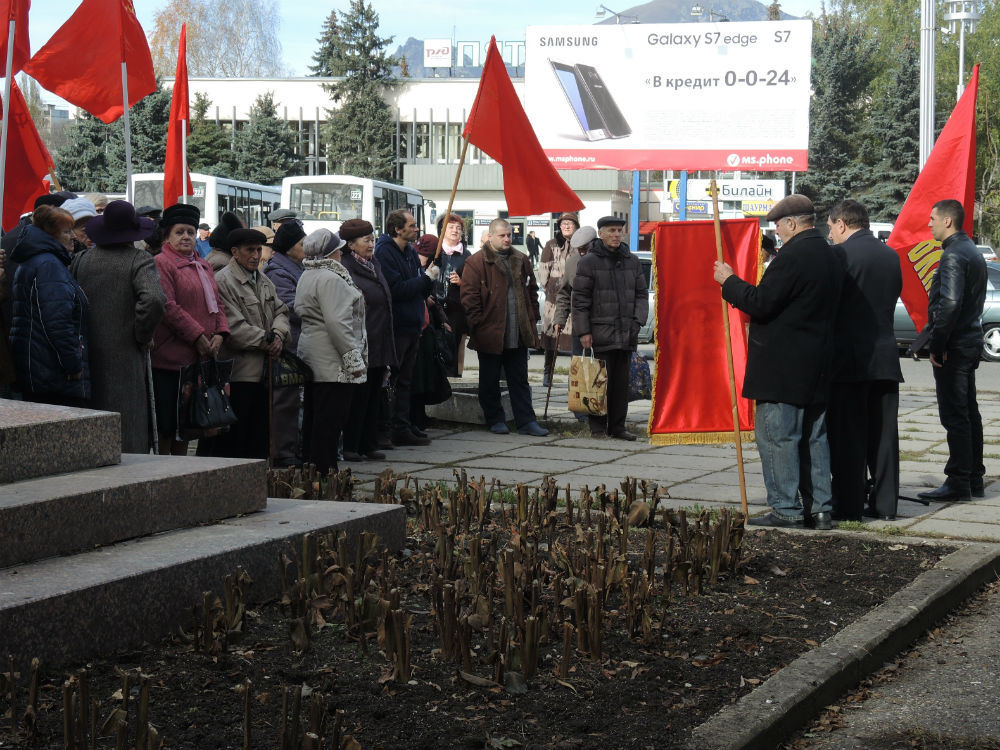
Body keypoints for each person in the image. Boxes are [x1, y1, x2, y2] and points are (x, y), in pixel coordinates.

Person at [712, 194, 845, 530]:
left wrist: (729, 281)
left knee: (778, 437)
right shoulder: (830, 253)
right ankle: (820, 509)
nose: (777, 233)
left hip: (783, 366)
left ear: (791, 223)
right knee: (815, 438)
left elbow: (762, 303)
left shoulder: (793, 256)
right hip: (817, 363)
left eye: (778, 226)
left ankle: (786, 508)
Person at [826, 199, 904, 521]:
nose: (830, 234)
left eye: (831, 227)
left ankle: (849, 505)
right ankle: (886, 505)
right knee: (884, 437)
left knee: (848, 435)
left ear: (842, 223)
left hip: (850, 359)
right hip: (885, 357)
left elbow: (831, 304)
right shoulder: (890, 255)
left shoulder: (840, 255)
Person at [72, 201, 166, 453]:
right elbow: (155, 299)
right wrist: (142, 334)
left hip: (87, 354)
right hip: (126, 353)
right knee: (128, 423)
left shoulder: (81, 260)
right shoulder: (139, 259)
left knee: (95, 421)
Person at [917, 199, 987, 502]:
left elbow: (950, 303)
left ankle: (959, 481)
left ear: (947, 221)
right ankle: (973, 478)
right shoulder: (970, 250)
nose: (929, 223)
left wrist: (938, 344)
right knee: (968, 412)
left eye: (933, 218)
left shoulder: (954, 255)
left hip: (955, 346)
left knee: (955, 415)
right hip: (968, 341)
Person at [201, 228, 290, 459]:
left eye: (259, 250)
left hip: (264, 372)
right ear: (235, 252)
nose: (256, 255)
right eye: (250, 250)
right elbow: (233, 327)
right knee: (237, 440)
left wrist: (278, 334)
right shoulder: (223, 281)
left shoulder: (264, 280)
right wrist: (267, 340)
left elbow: (281, 311)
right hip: (238, 374)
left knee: (259, 438)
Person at [151, 203, 230, 456]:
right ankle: (164, 471)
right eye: (179, 232)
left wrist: (220, 334)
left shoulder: (203, 265)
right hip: (171, 361)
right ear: (167, 236)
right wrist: (197, 336)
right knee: (168, 425)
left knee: (189, 425)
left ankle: (183, 471)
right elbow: (168, 305)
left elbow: (217, 303)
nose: (186, 237)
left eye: (191, 232)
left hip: (199, 358)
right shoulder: (161, 263)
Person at [461, 217, 548, 436]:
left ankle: (526, 421)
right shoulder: (476, 262)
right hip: (490, 332)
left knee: (519, 380)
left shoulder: (521, 259)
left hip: (518, 332)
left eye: (510, 235)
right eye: (502, 235)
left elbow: (532, 290)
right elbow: (469, 298)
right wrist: (478, 324)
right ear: (490, 236)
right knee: (489, 380)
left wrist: (533, 317)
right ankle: (495, 419)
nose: (507, 239)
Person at [295, 229, 367, 475]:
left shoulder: (309, 273)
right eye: (338, 250)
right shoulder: (330, 278)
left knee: (315, 416)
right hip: (331, 359)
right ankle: (324, 471)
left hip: (315, 354)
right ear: (330, 253)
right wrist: (353, 359)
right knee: (330, 419)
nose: (341, 254)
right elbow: (338, 323)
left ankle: (312, 468)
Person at [571, 217, 648, 441]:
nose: (616, 235)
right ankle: (597, 428)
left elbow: (641, 294)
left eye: (619, 230)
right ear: (601, 234)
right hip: (600, 332)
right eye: (611, 231)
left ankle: (617, 426)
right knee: (598, 382)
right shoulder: (589, 262)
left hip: (626, 332)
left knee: (621, 384)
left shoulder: (632, 261)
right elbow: (580, 300)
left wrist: (638, 321)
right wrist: (584, 331)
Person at [8, 205, 91, 407]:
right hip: (53, 374)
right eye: (67, 232)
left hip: (41, 368)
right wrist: (72, 365)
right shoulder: (49, 265)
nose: (73, 236)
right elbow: (57, 322)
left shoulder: (40, 261)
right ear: (50, 235)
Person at [374, 210, 438, 447]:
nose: (416, 229)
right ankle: (389, 427)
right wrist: (425, 279)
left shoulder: (410, 251)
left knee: (406, 380)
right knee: (394, 379)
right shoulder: (384, 252)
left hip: (412, 324)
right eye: (411, 225)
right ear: (397, 229)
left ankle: (403, 424)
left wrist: (428, 280)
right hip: (397, 326)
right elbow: (396, 290)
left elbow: (418, 288)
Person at [340, 218, 397, 461]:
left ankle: (369, 443)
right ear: (351, 244)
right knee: (358, 398)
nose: (371, 244)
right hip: (361, 342)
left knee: (374, 396)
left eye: (372, 239)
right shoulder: (346, 267)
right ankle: (352, 445)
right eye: (366, 240)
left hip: (379, 339)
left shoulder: (374, 263)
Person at [263, 220, 308, 466]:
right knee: (285, 403)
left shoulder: (297, 266)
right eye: (302, 243)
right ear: (290, 248)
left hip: (297, 343)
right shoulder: (278, 272)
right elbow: (289, 306)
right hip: (288, 345)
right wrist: (320, 307)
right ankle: (283, 452)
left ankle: (292, 449)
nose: (306, 247)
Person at [538, 212, 579, 386]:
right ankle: (548, 373)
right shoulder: (551, 244)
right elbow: (543, 272)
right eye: (563, 223)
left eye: (570, 223)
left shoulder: (580, 245)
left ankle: (574, 377)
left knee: (574, 340)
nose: (566, 226)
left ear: (576, 226)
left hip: (574, 298)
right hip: (554, 300)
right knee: (551, 338)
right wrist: (551, 288)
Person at [434, 213, 472, 376]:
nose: (455, 231)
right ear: (442, 230)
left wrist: (462, 282)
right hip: (435, 306)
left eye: (458, 228)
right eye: (450, 227)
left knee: (457, 344)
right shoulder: (436, 251)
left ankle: (457, 377)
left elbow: (473, 284)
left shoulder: (467, 255)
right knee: (436, 345)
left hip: (457, 308)